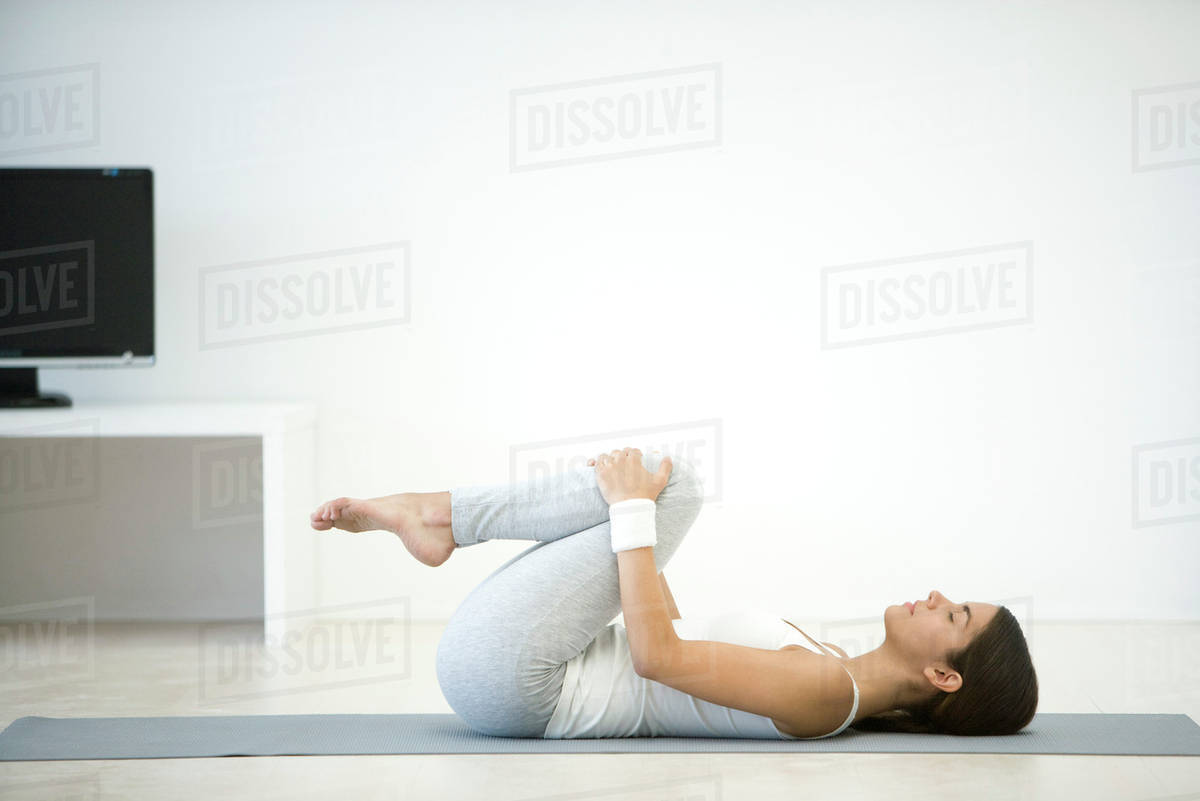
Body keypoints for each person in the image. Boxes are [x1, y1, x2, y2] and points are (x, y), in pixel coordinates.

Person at [310, 447, 1037, 738]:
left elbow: (655, 657)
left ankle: (440, 517)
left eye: (955, 614)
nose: (937, 594)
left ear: (944, 675)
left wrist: (635, 511)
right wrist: (628, 518)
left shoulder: (825, 690)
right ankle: (440, 517)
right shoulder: (830, 666)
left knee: (672, 484)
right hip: (515, 671)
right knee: (653, 489)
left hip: (518, 684)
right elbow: (671, 640)